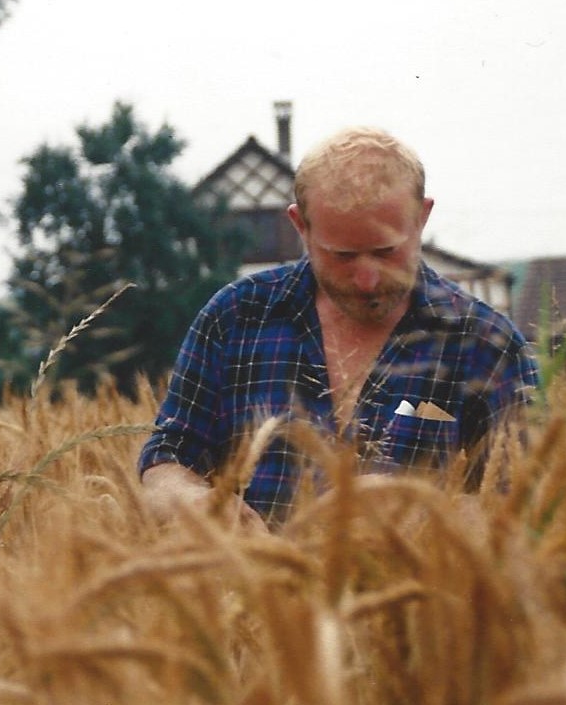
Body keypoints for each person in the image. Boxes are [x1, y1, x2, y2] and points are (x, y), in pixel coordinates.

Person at [138, 126, 540, 528]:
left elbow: (528, 501)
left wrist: (429, 517)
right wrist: (192, 501)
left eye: (386, 251)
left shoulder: (487, 343)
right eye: (342, 255)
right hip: (249, 587)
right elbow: (169, 455)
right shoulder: (234, 318)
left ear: (422, 217)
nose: (367, 278)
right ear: (301, 226)